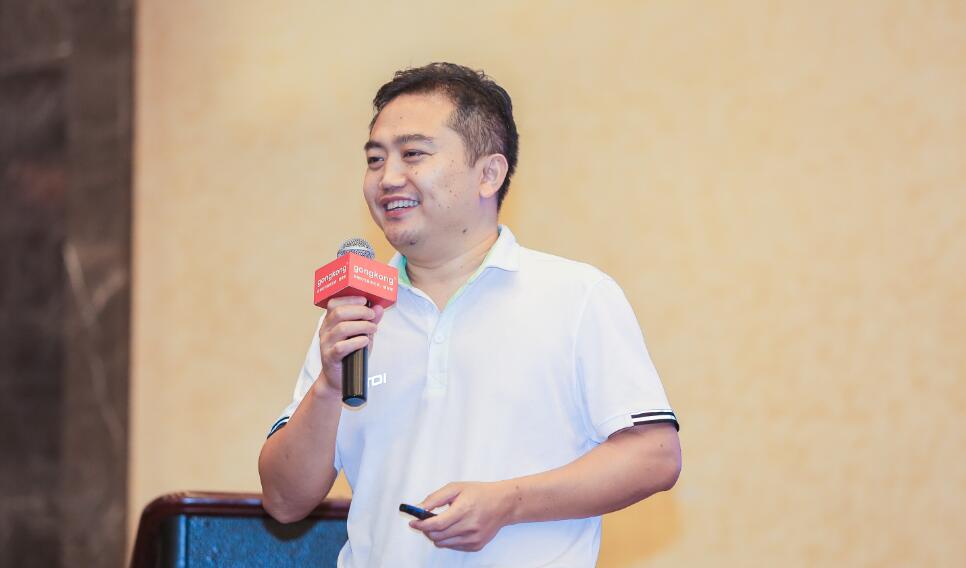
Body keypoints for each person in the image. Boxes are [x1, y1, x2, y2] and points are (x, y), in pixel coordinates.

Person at [258, 62, 681, 567]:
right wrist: (328, 386)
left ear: (489, 174)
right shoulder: (353, 315)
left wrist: (509, 503)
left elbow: (655, 456)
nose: (387, 178)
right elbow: (284, 501)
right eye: (374, 159)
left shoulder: (576, 295)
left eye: (413, 154)